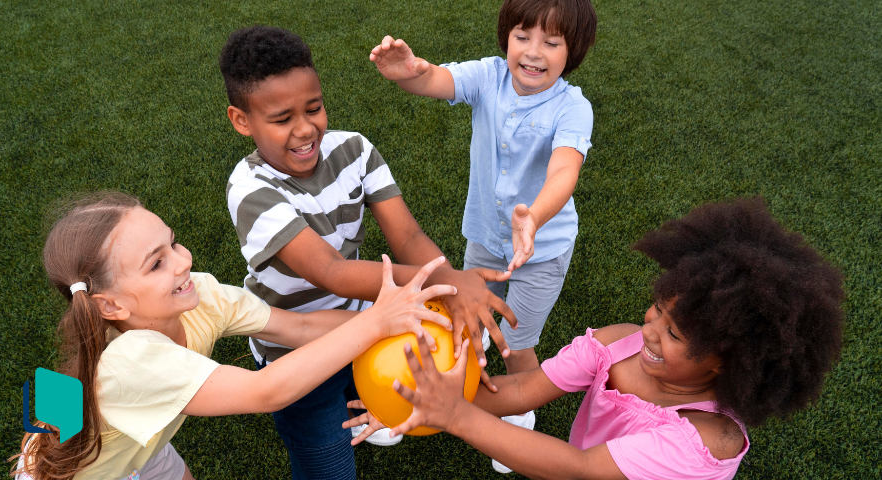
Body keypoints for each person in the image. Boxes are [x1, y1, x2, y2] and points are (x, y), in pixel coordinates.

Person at [348, 198, 845, 479]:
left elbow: (579, 468)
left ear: (725, 363)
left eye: (672, 332)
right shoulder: (619, 344)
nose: (648, 328)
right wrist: (413, 401)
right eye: (657, 308)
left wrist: (453, 415)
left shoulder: (702, 445)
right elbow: (521, 391)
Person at [218, 25, 517, 479]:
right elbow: (331, 272)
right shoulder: (250, 190)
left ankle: (368, 401)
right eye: (282, 119)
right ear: (242, 121)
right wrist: (450, 283)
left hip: (370, 325)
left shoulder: (355, 150)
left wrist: (445, 281)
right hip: (297, 353)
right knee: (330, 467)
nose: (305, 129)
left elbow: (410, 239)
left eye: (314, 108)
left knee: (376, 396)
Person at [11, 192, 456, 480]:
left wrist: (395, 319)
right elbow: (266, 391)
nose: (182, 261)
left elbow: (297, 327)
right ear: (112, 307)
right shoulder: (133, 362)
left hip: (134, 445)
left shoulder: (200, 294)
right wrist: (375, 323)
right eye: (156, 263)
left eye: (173, 244)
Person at [369, 1, 597, 465]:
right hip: (485, 239)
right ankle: (440, 391)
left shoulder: (573, 107)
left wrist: (533, 218)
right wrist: (407, 72)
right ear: (505, 38)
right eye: (522, 37)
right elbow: (435, 79)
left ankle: (519, 414)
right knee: (465, 320)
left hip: (544, 249)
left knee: (517, 343)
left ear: (573, 51)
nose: (533, 53)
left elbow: (564, 171)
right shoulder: (488, 76)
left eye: (551, 43)